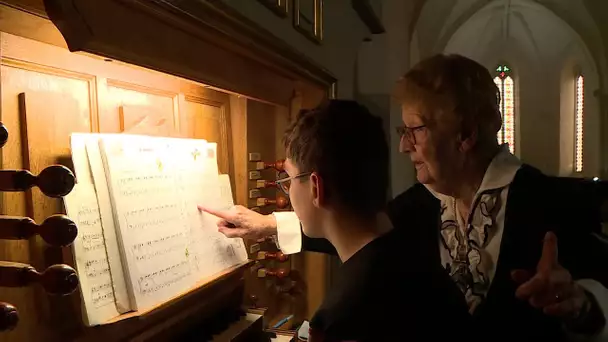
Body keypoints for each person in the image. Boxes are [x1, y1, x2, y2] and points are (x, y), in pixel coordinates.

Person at [201, 54, 608, 341]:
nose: (404, 147)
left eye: (415, 131)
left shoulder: (551, 201)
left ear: (464, 135)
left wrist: (583, 305)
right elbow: (352, 226)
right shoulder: (421, 204)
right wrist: (267, 225)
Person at [204, 100, 473, 341]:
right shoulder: (419, 259)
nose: (287, 189)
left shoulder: (342, 317)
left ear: (315, 188)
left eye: (287, 179)